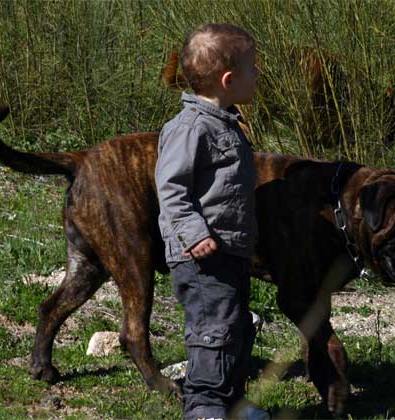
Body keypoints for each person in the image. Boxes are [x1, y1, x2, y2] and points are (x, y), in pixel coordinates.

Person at [155, 23, 269, 420]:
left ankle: (231, 403)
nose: (258, 76)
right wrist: (193, 233)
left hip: (228, 251)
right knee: (212, 332)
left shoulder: (226, 123)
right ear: (228, 79)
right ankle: (204, 407)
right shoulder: (190, 128)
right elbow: (171, 189)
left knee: (235, 326)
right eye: (253, 68)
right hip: (200, 255)